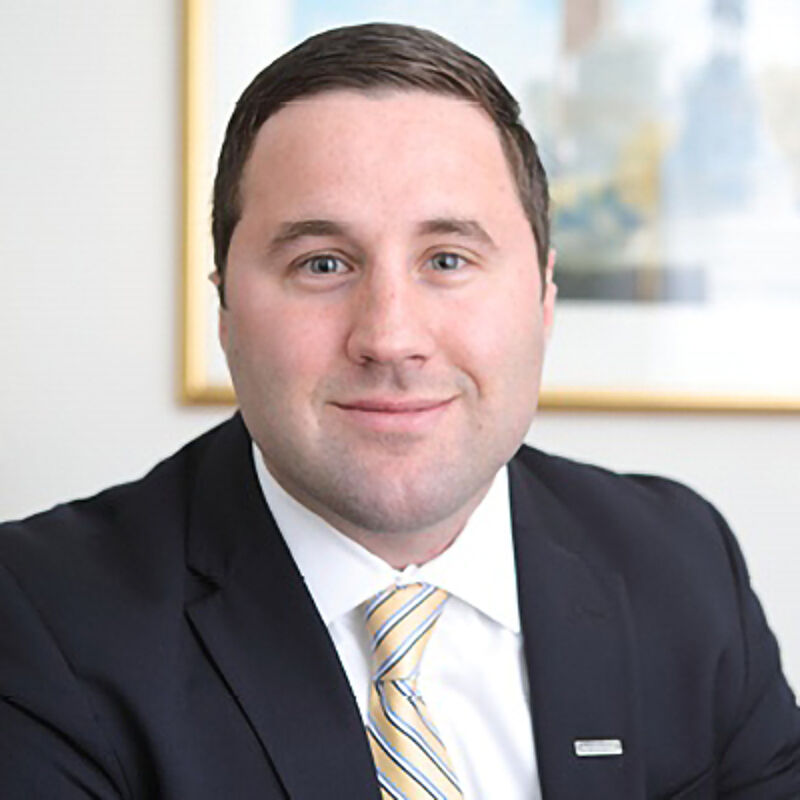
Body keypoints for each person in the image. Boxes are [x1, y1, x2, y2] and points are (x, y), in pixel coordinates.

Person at [0, 22, 798, 800]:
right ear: (226, 312)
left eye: (447, 259)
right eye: (321, 263)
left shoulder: (683, 563)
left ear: (545, 296)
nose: (390, 337)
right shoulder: (39, 619)